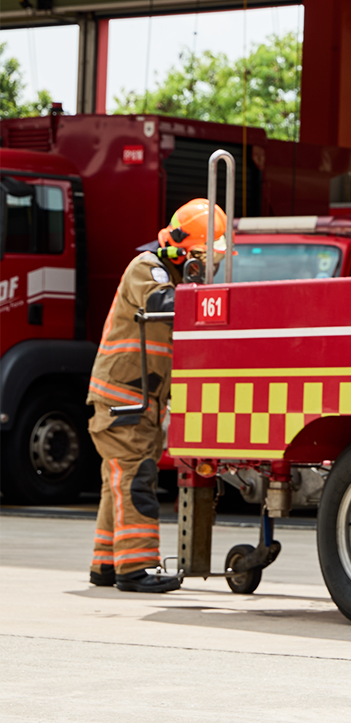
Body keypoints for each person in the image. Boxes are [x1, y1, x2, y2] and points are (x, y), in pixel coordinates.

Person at [88, 198, 225, 594]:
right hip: (123, 399)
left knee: (118, 479)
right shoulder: (147, 269)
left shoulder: (170, 276)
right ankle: (136, 567)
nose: (207, 266)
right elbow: (162, 306)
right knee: (135, 478)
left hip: (135, 400)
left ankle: (106, 564)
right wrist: (211, 299)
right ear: (184, 250)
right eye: (202, 256)